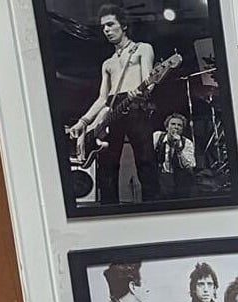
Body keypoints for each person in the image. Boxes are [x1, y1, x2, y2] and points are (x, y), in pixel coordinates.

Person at [66, 4, 159, 205]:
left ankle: (154, 211)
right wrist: (82, 122)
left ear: (123, 25)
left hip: (136, 109)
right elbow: (102, 98)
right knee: (107, 168)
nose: (106, 30)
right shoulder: (107, 63)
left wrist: (141, 93)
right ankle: (109, 210)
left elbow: (150, 82)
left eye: (110, 24)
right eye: (103, 27)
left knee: (146, 163)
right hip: (112, 112)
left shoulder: (142, 49)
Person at [152, 113, 196, 199]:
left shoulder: (187, 143)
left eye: (179, 125)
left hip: (179, 181)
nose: (176, 127)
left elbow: (190, 166)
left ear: (182, 129)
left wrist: (179, 149)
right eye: (173, 124)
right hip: (161, 179)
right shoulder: (157, 136)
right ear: (167, 127)